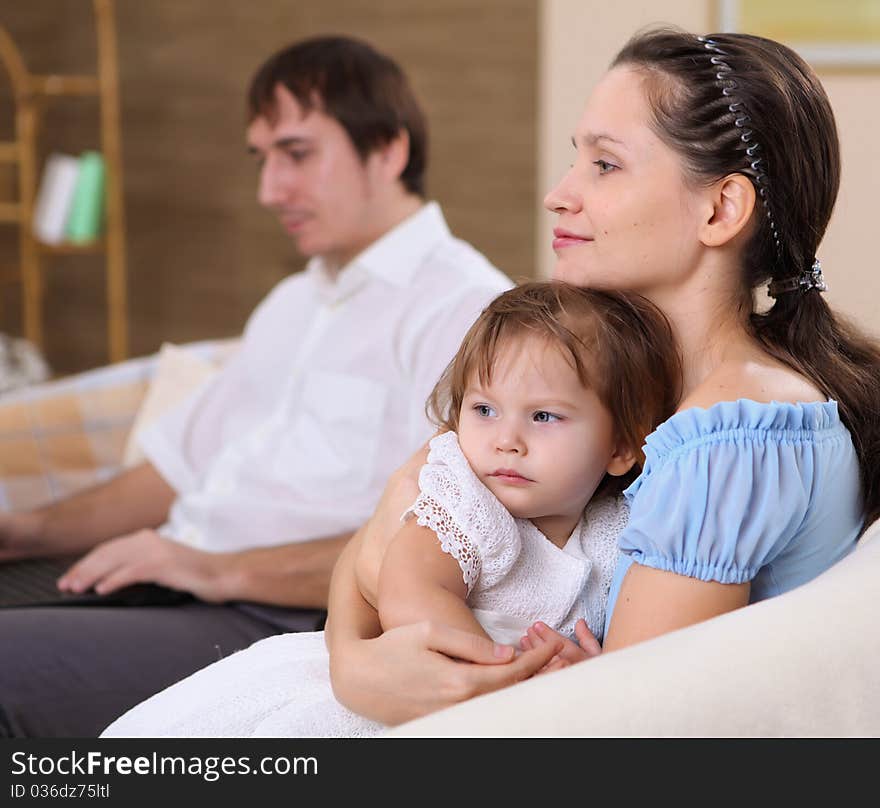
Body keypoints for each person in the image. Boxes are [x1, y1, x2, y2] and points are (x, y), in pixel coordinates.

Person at [320, 26, 880, 728]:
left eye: (605, 166)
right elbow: (406, 510)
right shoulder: (613, 381)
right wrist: (351, 659)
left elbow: (615, 737)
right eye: (575, 161)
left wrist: (359, 663)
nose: (559, 195)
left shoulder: (729, 439)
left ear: (720, 209)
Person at [0, 35, 511, 737]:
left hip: (274, 619)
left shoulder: (465, 314)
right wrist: (20, 533)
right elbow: (172, 473)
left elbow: (441, 550)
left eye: (297, 154)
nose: (271, 190)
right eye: (263, 159)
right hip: (174, 582)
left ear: (388, 151)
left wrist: (214, 570)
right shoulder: (294, 303)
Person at [102, 281, 681, 737]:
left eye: (544, 417)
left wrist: (581, 669)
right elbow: (410, 590)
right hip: (406, 693)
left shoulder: (616, 529)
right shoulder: (469, 500)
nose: (507, 439)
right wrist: (497, 677)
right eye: (483, 409)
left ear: (620, 447)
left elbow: (623, 641)